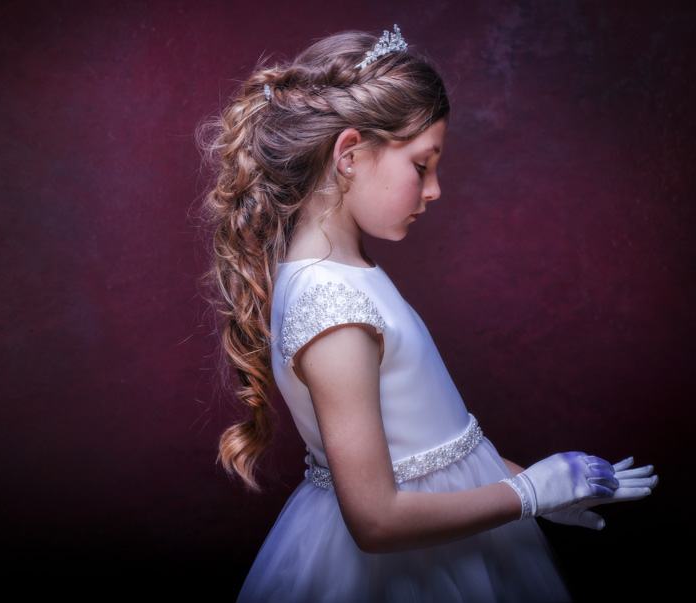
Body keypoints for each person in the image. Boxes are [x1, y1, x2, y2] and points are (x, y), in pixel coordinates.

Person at [200, 26, 658, 602]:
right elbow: (376, 520)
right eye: (422, 165)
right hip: (407, 573)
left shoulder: (347, 271)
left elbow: (433, 448)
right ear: (349, 155)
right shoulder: (330, 305)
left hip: (458, 538)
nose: (435, 189)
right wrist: (527, 496)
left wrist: (541, 486)